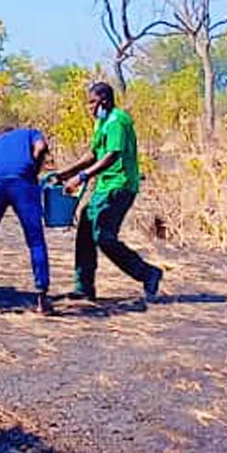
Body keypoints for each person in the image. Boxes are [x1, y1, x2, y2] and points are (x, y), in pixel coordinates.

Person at [50, 81, 163, 304]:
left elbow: (111, 156)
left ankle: (147, 273)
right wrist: (65, 173)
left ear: (105, 100)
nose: (89, 107)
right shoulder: (101, 122)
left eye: (92, 102)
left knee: (103, 236)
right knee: (85, 227)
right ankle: (84, 287)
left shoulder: (117, 121)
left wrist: (82, 177)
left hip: (120, 185)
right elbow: (93, 154)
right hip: (104, 186)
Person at [0, 124, 52, 314]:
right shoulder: (30, 132)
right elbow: (41, 147)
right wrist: (34, 167)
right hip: (23, 181)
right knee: (35, 241)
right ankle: (42, 302)